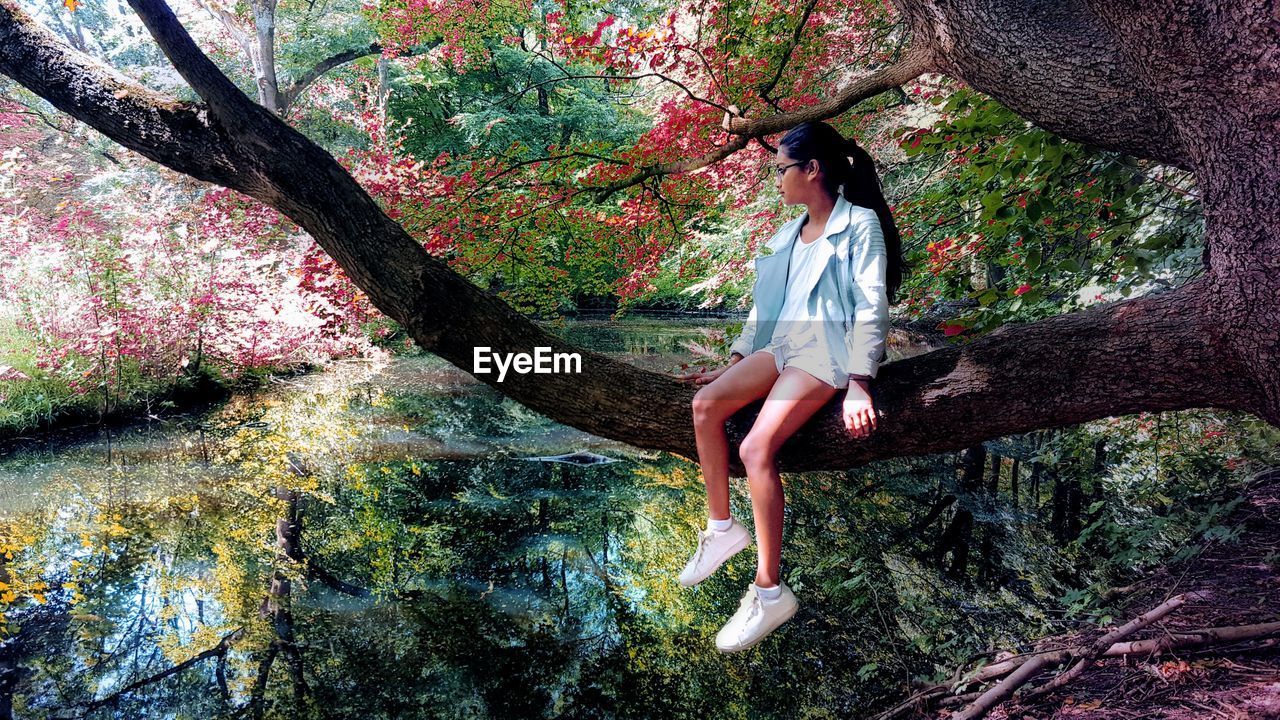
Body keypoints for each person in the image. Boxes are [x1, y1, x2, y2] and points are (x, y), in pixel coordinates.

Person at [674, 120, 902, 653]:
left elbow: (872, 306)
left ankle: (770, 590)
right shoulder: (789, 234)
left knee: (755, 447)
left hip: (825, 353)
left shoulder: (860, 225)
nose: (777, 181)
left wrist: (860, 382)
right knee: (706, 405)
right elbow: (764, 306)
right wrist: (733, 360)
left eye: (782, 170)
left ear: (812, 169)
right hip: (780, 349)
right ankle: (722, 529)